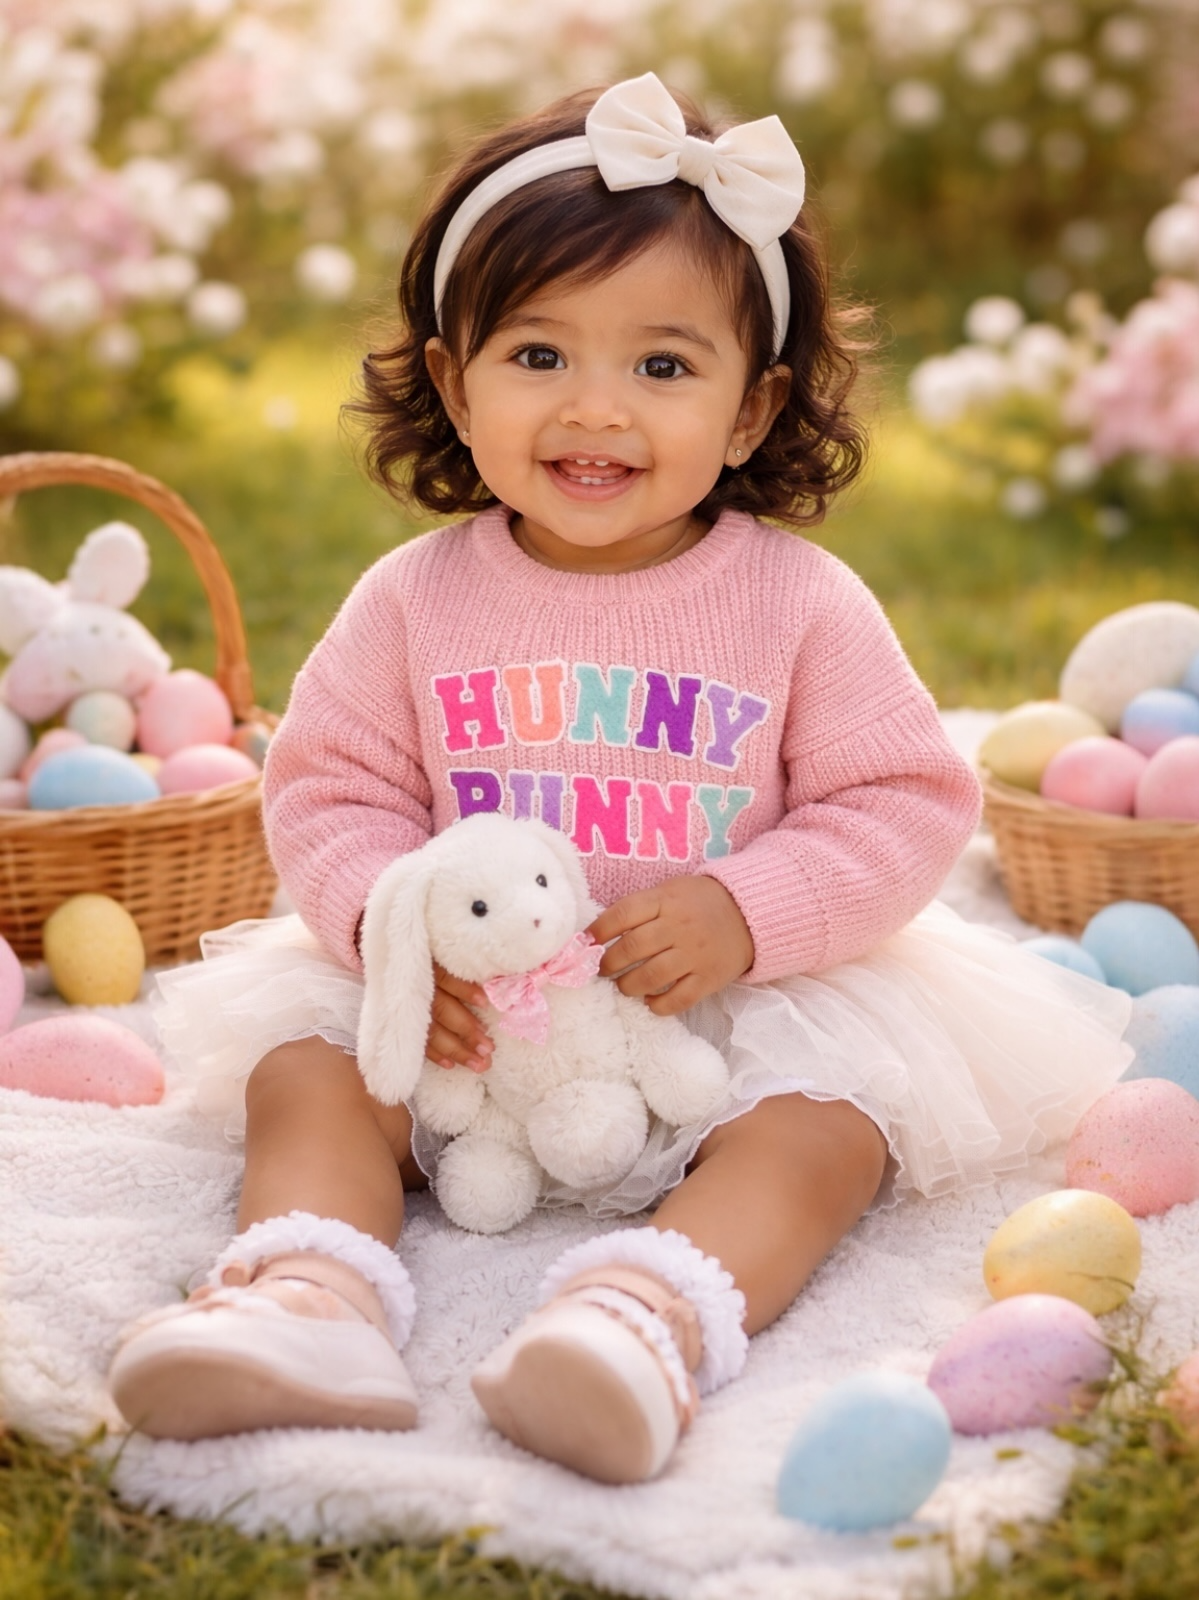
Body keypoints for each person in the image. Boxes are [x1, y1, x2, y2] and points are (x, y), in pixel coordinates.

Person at [109, 72, 1132, 1484]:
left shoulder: (796, 603)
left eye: (662, 366)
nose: (597, 410)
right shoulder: (413, 601)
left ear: (752, 404)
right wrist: (393, 944)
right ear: (452, 375)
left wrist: (749, 909)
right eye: (539, 357)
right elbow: (331, 792)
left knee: (828, 1129)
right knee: (307, 1070)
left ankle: (642, 1320)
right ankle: (309, 1297)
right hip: (471, 1021)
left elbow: (902, 799)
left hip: (725, 1008)